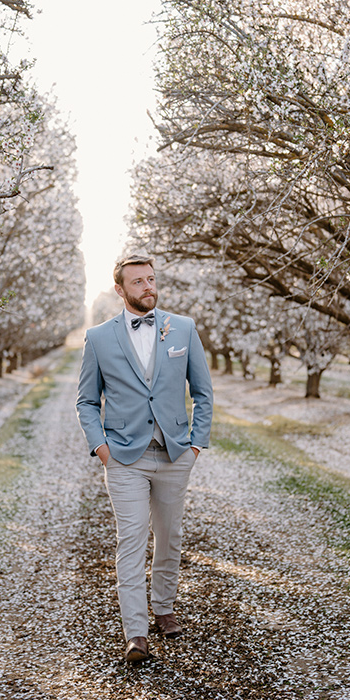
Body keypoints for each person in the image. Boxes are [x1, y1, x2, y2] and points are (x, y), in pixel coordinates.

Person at [76, 254, 213, 663]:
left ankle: (165, 610)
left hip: (174, 454)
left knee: (169, 538)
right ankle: (135, 632)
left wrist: (195, 445)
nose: (147, 287)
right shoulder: (99, 338)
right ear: (120, 290)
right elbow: (86, 400)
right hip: (124, 458)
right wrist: (102, 448)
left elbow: (203, 392)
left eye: (151, 279)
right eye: (138, 282)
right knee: (131, 541)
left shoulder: (183, 329)